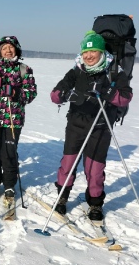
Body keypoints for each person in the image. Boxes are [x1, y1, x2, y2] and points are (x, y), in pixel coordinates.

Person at [50, 30, 133, 220]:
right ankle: (62, 197)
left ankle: (95, 203)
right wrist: (63, 94)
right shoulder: (77, 70)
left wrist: (106, 92)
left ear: (101, 52)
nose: (88, 56)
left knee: (94, 169)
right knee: (68, 163)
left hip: (100, 126)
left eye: (93, 51)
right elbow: (55, 94)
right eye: (85, 52)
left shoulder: (114, 71)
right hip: (76, 124)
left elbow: (126, 97)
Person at [0, 36, 37, 200]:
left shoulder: (24, 70)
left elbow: (31, 93)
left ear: (16, 49)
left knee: (9, 153)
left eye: (11, 47)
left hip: (13, 119)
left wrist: (15, 92)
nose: (8, 50)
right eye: (4, 48)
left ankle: (9, 184)